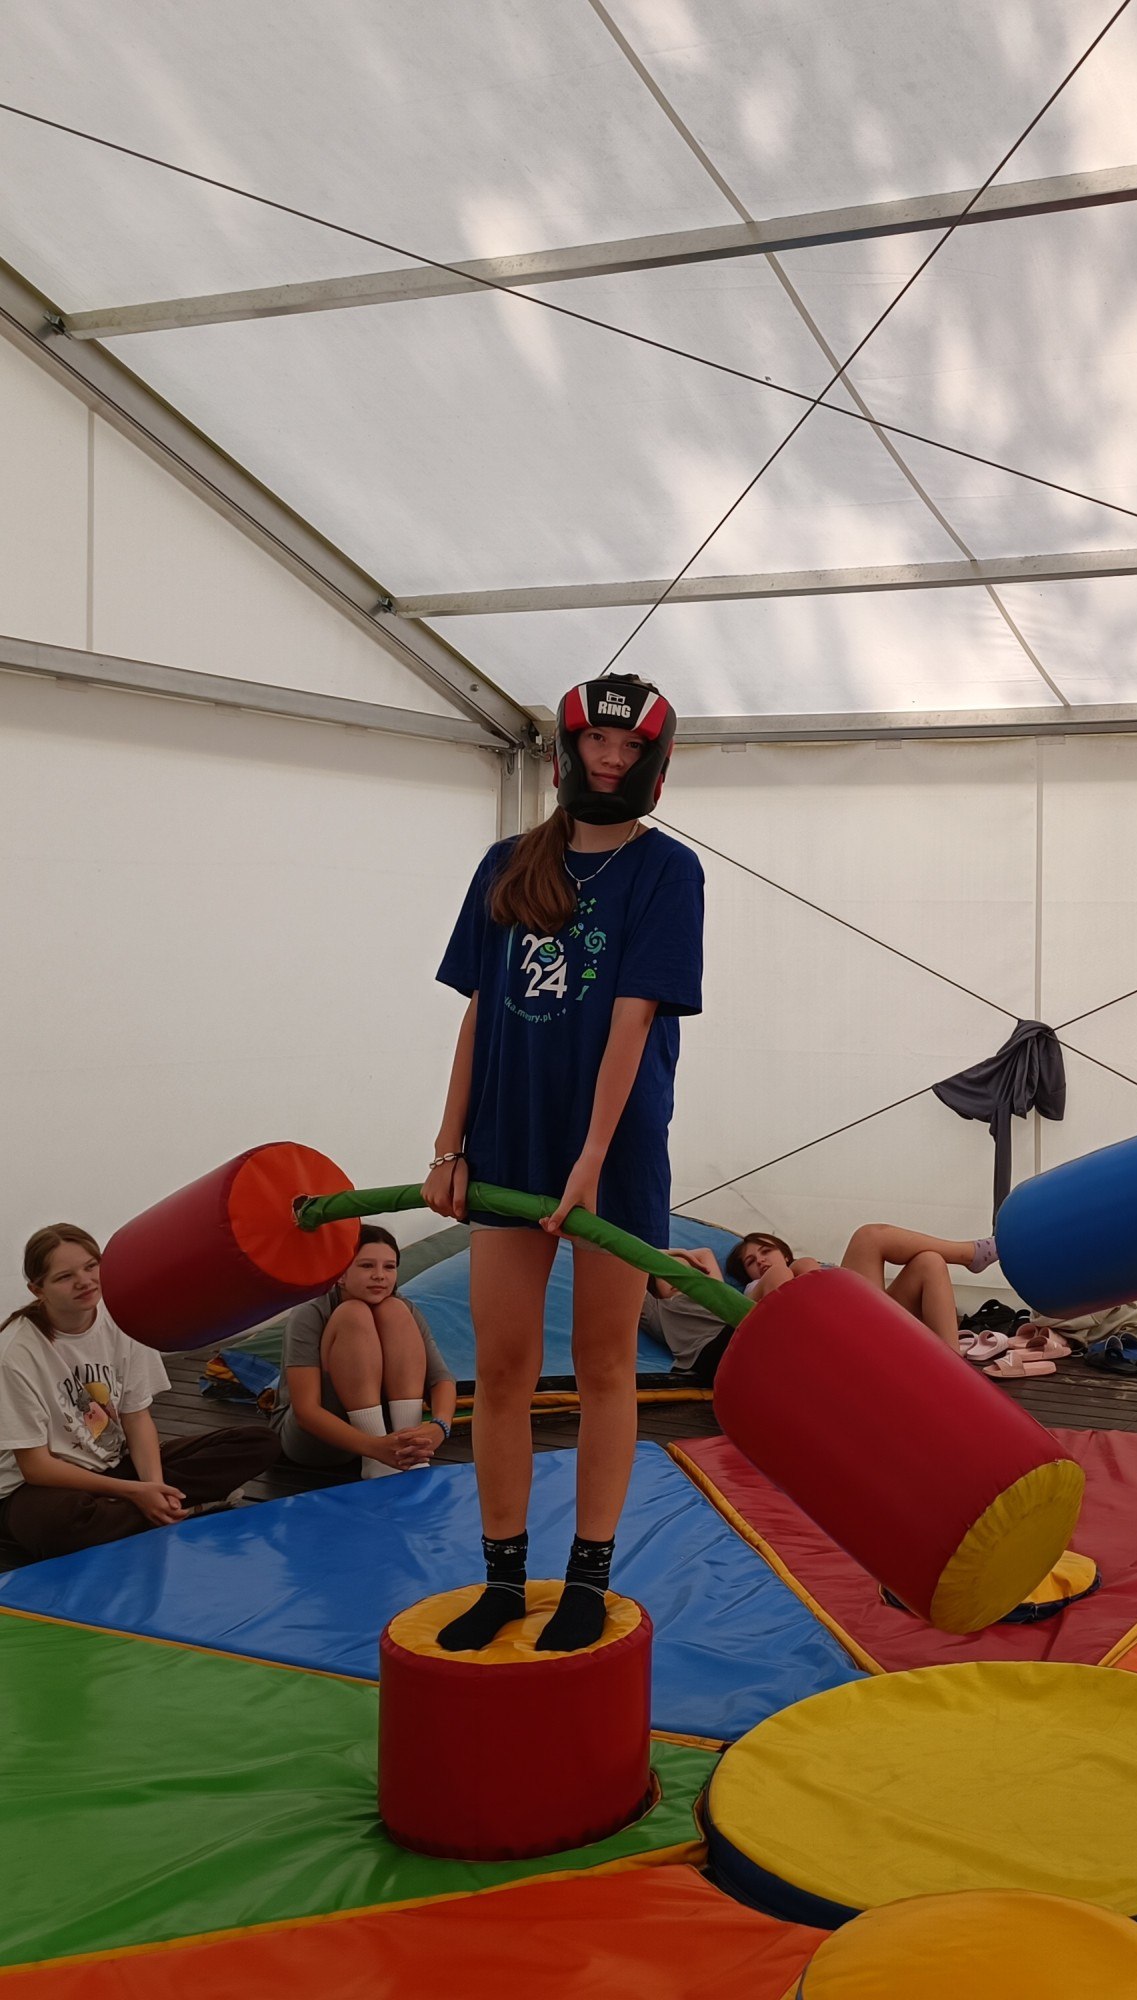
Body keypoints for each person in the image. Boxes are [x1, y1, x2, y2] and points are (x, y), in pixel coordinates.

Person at [424, 672, 702, 1654]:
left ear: (653, 762)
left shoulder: (666, 870)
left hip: (613, 1152)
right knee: (500, 1367)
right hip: (508, 1140)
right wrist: (450, 1143)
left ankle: (587, 1576)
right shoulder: (507, 863)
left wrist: (591, 1157)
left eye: (629, 748)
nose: (611, 760)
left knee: (603, 1365)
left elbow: (634, 1016)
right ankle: (503, 1578)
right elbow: (478, 1011)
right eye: (597, 743)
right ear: (568, 750)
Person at [1, 1224, 281, 1560]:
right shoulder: (14, 1354)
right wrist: (134, 1492)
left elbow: (136, 1417)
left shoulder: (123, 1318)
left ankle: (149, 1508)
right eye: (64, 1277)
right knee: (57, 1525)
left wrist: (152, 1486)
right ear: (37, 1290)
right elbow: (36, 1467)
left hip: (114, 1463)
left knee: (258, 1442)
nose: (84, 1281)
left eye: (91, 1266)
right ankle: (182, 1507)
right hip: (41, 1486)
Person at [275, 1225, 457, 1477]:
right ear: (340, 1274)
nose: (379, 1276)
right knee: (354, 1314)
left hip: (388, 1435)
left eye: (389, 1267)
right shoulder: (310, 1313)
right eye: (367, 1266)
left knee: (393, 1309)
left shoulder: (404, 1309)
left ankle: (409, 1452)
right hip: (317, 1442)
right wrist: (375, 1448)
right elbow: (306, 1412)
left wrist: (440, 1427)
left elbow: (441, 1380)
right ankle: (379, 1463)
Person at [728, 1225, 997, 1350]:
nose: (760, 1260)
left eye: (766, 1251)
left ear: (785, 1253)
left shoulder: (808, 1264)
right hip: (838, 1336)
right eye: (751, 1262)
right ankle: (968, 1254)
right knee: (868, 1237)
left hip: (863, 1322)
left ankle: (953, 1364)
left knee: (930, 1261)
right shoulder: (753, 1289)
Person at [639, 1244, 734, 1387]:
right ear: (655, 1290)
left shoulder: (711, 1290)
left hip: (735, 1334)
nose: (676, 1277)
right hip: (706, 1354)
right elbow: (628, 1266)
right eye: (666, 1273)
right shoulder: (658, 1307)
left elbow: (706, 1253)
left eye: (682, 1271)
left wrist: (680, 1254)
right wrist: (661, 1254)